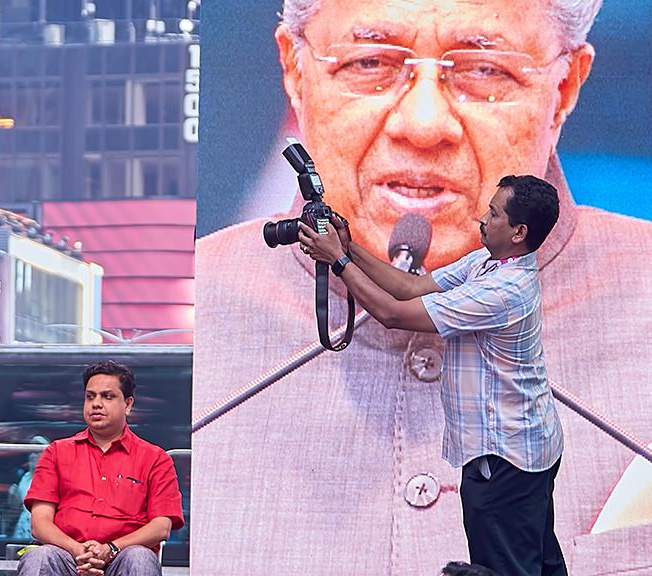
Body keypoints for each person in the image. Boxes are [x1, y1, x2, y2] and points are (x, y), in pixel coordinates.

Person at [193, 1, 652, 575]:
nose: (424, 124)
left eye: (484, 69)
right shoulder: (174, 324)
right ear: (294, 70)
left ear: (564, 88)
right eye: (369, 62)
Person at [301, 174, 564, 574]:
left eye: (494, 214)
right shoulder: (487, 262)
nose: (483, 218)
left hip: (505, 459)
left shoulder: (504, 290)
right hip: (529, 446)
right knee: (538, 563)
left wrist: (337, 262)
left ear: (519, 232)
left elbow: (392, 313)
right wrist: (349, 247)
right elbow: (409, 287)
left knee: (505, 567)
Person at [18, 361, 184, 576]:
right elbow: (40, 524)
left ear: (128, 404)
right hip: (67, 556)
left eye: (107, 396)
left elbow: (161, 527)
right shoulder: (56, 452)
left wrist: (111, 549)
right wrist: (78, 551)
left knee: (139, 558)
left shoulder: (155, 459)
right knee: (39, 557)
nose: (96, 404)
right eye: (90, 396)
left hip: (123, 558)